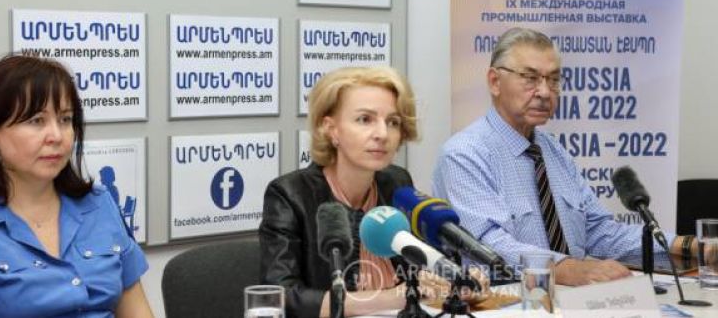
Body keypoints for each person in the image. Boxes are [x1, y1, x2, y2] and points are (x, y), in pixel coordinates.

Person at [433, 27, 695, 286]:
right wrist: (567, 269)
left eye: (554, 80)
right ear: (494, 81)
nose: (545, 92)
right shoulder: (464, 154)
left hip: (573, 300)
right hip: (505, 302)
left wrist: (687, 246)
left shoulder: (553, 150)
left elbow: (598, 231)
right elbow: (486, 246)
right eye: (530, 78)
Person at [0, 55, 154, 318]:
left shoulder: (98, 204)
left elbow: (137, 311)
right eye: (37, 120)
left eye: (65, 119)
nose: (57, 136)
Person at [260, 66, 485, 318]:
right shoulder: (291, 195)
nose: (382, 134)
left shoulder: (397, 183)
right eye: (365, 119)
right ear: (330, 129)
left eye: (392, 122)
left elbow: (421, 266)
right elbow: (282, 297)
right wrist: (395, 297)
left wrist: (453, 280)